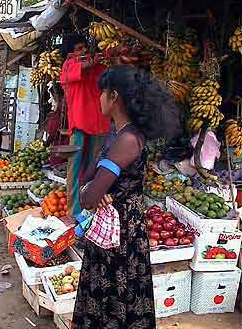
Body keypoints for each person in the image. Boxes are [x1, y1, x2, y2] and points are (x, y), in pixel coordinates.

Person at [72, 65, 182, 329]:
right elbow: (86, 181)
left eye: (102, 93)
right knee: (108, 292)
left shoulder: (128, 140)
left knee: (117, 294)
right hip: (112, 228)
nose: (98, 98)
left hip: (121, 233)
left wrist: (94, 191)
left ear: (114, 96)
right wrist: (93, 190)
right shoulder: (116, 135)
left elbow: (88, 195)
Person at [60, 33, 110, 219]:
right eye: (78, 48)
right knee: (74, 168)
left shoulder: (97, 66)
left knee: (93, 168)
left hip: (99, 124)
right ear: (70, 52)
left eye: (84, 47)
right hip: (79, 124)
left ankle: (90, 208)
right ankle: (74, 211)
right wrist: (91, 62)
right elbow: (75, 71)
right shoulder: (68, 66)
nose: (83, 51)